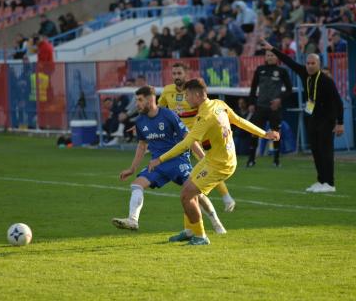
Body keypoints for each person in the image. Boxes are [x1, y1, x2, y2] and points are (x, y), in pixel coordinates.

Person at [148, 78, 280, 245]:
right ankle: (190, 231)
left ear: (196, 95)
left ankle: (201, 236)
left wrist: (160, 159)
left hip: (220, 164)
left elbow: (186, 144)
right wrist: (264, 133)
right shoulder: (218, 104)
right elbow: (239, 121)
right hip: (214, 158)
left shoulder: (205, 116)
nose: (186, 99)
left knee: (186, 195)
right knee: (188, 188)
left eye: (187, 95)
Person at [112, 85, 226, 234]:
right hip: (157, 163)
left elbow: (188, 138)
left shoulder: (168, 115)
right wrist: (132, 169)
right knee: (136, 185)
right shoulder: (140, 122)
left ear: (150, 99)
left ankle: (215, 221)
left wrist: (203, 158)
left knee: (196, 192)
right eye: (136, 100)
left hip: (178, 161)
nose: (137, 104)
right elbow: (141, 146)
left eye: (140, 100)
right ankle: (133, 220)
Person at [260, 39, 344, 193]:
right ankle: (321, 180)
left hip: (327, 118)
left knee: (326, 151)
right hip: (313, 118)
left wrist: (340, 123)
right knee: (315, 150)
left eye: (313, 63)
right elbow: (288, 61)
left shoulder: (326, 81)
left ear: (318, 64)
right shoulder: (304, 73)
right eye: (308, 63)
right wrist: (273, 48)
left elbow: (338, 102)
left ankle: (330, 183)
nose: (310, 66)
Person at [158, 63, 236, 212]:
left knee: (206, 162)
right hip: (177, 136)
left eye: (179, 73)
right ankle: (194, 197)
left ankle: (226, 197)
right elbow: (159, 110)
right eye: (174, 74)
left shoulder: (194, 91)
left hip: (196, 135)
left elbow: (205, 109)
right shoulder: (168, 90)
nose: (176, 76)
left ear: (186, 74)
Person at [247, 49, 293, 167]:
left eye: (272, 55)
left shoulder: (282, 71)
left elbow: (289, 90)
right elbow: (253, 88)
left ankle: (276, 160)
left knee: (275, 133)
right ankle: (251, 159)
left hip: (274, 107)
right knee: (255, 132)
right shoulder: (259, 69)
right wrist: (251, 103)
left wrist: (279, 99)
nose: (270, 57)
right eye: (268, 55)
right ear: (265, 57)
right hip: (260, 106)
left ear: (277, 57)